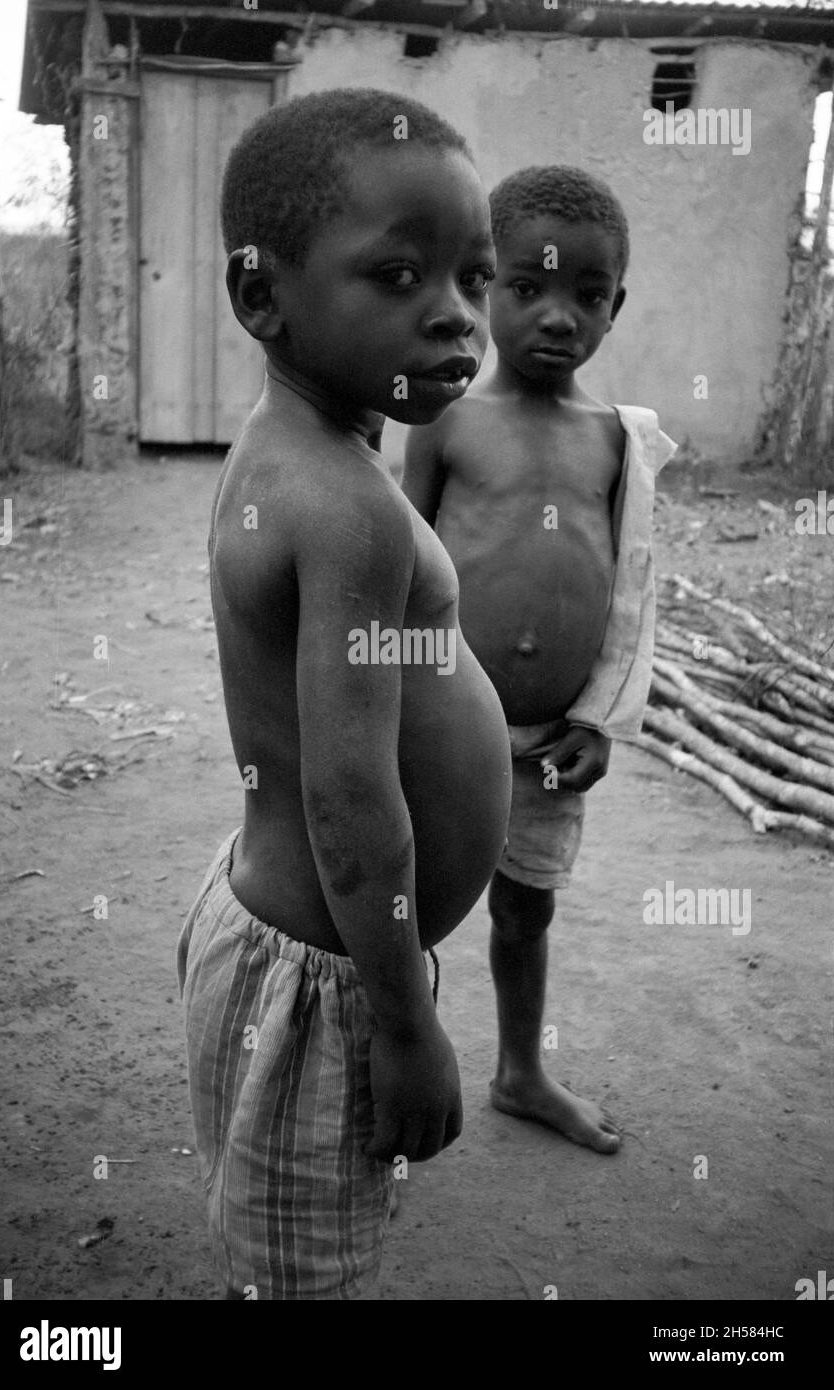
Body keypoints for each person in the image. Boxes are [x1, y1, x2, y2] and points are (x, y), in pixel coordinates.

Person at [176, 88, 511, 1300]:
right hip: (327, 980)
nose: (455, 317)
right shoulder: (349, 509)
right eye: (400, 277)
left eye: (475, 278)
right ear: (263, 297)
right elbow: (353, 800)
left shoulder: (288, 453)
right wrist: (407, 1022)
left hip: (283, 932)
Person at [403, 165, 676, 1156]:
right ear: (482, 288)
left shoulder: (616, 442)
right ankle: (385, 1055)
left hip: (552, 741)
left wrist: (604, 715)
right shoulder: (448, 419)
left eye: (588, 296)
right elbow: (402, 566)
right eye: (529, 288)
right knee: (405, 900)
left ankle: (520, 1071)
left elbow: (632, 589)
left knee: (525, 908)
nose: (560, 317)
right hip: (441, 722)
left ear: (616, 304)